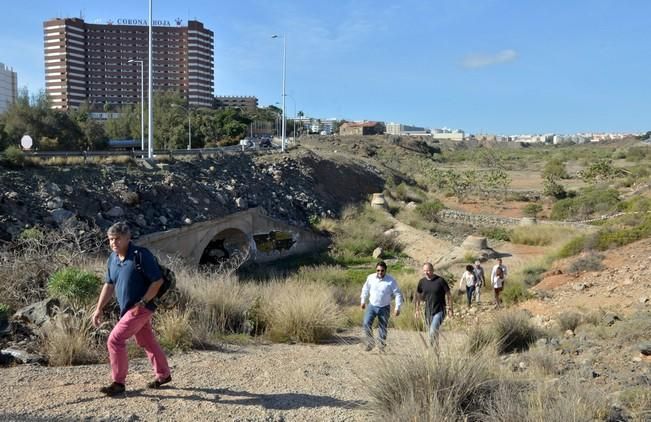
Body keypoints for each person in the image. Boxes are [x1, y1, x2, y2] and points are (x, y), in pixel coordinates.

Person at [92, 222, 172, 397]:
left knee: (115, 340)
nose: (114, 243)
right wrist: (98, 309)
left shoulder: (140, 255)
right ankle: (164, 375)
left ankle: (118, 383)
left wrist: (142, 302)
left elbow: (157, 281)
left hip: (141, 308)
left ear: (128, 238)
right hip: (128, 309)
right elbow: (109, 284)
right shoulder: (112, 259)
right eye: (111, 239)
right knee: (146, 341)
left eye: (118, 239)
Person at [360, 261, 403, 351]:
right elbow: (365, 289)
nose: (380, 272)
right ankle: (370, 343)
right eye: (378, 270)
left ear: (385, 270)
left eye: (382, 270)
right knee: (366, 323)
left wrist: (397, 307)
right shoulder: (370, 278)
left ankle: (381, 346)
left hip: (384, 307)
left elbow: (398, 294)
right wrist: (363, 301)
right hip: (372, 306)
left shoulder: (391, 280)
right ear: (376, 270)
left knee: (383, 327)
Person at [414, 263, 453, 347]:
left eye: (428, 270)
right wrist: (417, 310)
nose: (426, 272)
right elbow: (418, 296)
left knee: (432, 331)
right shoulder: (422, 282)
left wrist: (450, 309)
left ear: (432, 270)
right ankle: (436, 350)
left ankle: (430, 349)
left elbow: (449, 295)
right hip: (428, 311)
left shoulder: (440, 280)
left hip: (440, 310)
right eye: (424, 270)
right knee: (433, 332)